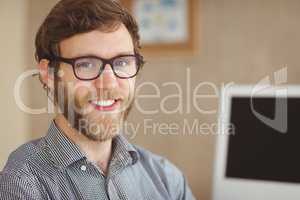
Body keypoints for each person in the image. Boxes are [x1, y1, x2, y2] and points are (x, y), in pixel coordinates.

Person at [0, 0, 195, 199]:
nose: (109, 84)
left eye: (122, 62)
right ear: (49, 74)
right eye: (86, 64)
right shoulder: (22, 184)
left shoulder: (168, 180)